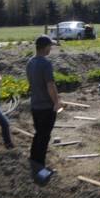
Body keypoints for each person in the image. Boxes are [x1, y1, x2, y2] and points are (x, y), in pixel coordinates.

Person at [26, 35, 64, 183]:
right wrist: (56, 101)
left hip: (35, 105)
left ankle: (33, 161)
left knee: (38, 134)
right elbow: (50, 85)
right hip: (46, 106)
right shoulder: (46, 63)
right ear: (45, 47)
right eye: (50, 46)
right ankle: (40, 169)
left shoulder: (30, 62)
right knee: (44, 137)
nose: (51, 49)